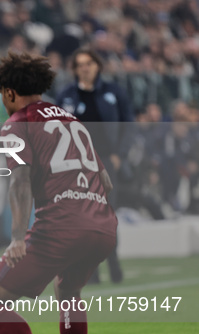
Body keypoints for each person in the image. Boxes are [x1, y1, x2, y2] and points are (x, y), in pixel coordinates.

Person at [0, 52, 117, 334]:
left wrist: (18, 237)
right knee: (68, 290)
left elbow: (19, 183)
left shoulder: (16, 125)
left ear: (8, 92)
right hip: (102, 226)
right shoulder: (72, 120)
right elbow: (105, 180)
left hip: (61, 228)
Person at [56, 48, 134, 284]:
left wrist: (120, 154)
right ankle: (92, 270)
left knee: (106, 214)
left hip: (106, 161)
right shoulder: (66, 96)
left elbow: (128, 124)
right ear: (75, 69)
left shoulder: (113, 92)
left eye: (89, 63)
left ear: (97, 66)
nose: (85, 68)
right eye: (80, 64)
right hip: (77, 164)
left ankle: (113, 262)